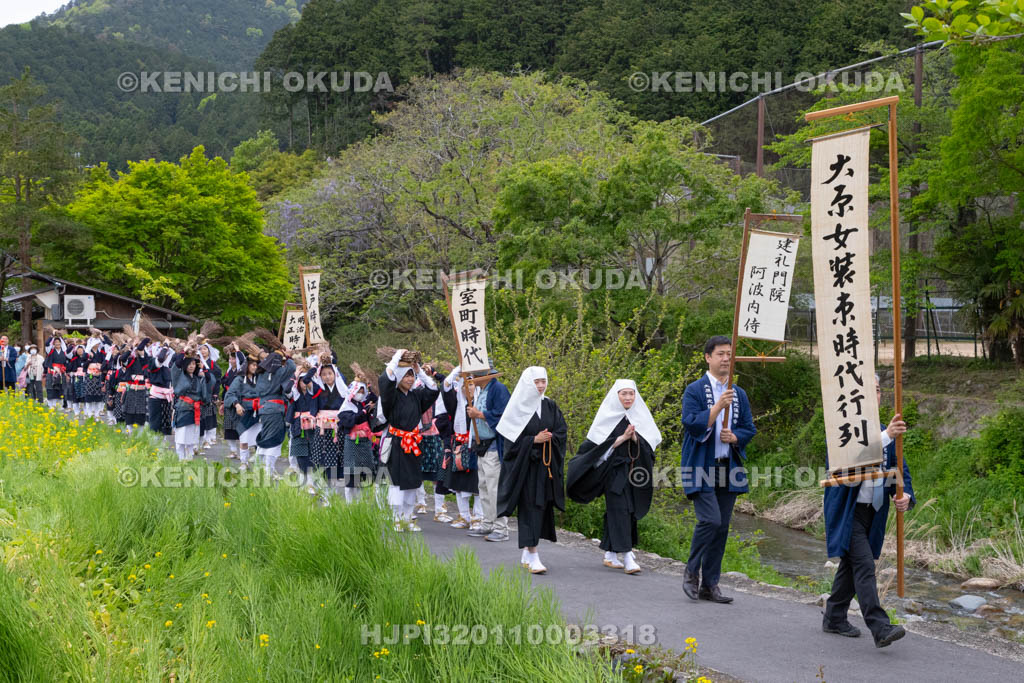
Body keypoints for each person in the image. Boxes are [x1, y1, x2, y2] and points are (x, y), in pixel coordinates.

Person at [822, 375, 915, 648]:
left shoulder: (887, 431)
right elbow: (849, 462)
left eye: (877, 390)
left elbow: (901, 470)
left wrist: (906, 495)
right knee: (864, 565)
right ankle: (880, 627)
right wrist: (887, 437)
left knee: (851, 566)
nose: (874, 394)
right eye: (867, 390)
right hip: (847, 512)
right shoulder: (842, 429)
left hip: (873, 512)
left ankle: (834, 617)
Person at [680, 336, 757, 604]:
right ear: (708, 357)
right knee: (710, 520)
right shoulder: (694, 390)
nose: (726, 359)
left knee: (722, 527)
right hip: (700, 465)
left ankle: (710, 584)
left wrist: (735, 437)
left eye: (729, 354)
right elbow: (691, 423)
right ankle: (691, 572)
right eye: (721, 354)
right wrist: (716, 408)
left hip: (728, 466)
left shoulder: (739, 393)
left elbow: (748, 428)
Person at [567, 379, 660, 575]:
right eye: (624, 394)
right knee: (620, 509)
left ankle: (610, 554)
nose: (628, 397)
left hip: (634, 473)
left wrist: (635, 438)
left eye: (631, 394)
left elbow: (649, 450)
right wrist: (622, 438)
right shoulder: (607, 417)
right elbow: (594, 450)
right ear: (616, 396)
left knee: (629, 510)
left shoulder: (640, 417)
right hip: (613, 473)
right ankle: (627, 555)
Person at [496, 366, 567, 575]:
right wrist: (533, 440)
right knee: (529, 507)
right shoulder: (516, 407)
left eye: (543, 381)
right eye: (536, 382)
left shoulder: (550, 405)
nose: (541, 386)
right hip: (525, 469)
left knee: (541, 507)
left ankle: (528, 552)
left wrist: (551, 438)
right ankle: (534, 553)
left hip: (545, 468)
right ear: (528, 383)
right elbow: (510, 445)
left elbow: (561, 431)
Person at [378, 349, 440, 532]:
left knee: (413, 482)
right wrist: (396, 357)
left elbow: (433, 389)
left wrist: (419, 371)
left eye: (412, 376)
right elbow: (386, 379)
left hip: (413, 443)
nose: (410, 379)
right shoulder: (391, 395)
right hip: (397, 442)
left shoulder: (416, 395)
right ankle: (396, 518)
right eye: (406, 375)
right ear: (399, 376)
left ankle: (407, 517)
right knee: (396, 482)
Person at [465, 366, 511, 542]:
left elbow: (504, 415)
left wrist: (479, 414)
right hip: (482, 445)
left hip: (493, 445)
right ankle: (488, 523)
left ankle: (501, 527)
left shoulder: (498, 389)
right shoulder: (482, 390)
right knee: (483, 487)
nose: (473, 377)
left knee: (494, 488)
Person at [440, 367, 479, 528]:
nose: (468, 388)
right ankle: (464, 516)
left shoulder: (481, 401)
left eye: (471, 384)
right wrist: (458, 369)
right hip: (460, 447)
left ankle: (478, 518)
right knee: (459, 483)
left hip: (477, 446)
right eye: (465, 385)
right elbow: (445, 386)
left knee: (477, 484)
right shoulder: (456, 403)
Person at [252, 349, 296, 478]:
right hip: (275, 409)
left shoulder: (260, 374)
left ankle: (258, 469)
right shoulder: (279, 372)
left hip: (263, 408)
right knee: (274, 441)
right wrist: (288, 356)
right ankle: (268, 472)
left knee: (266, 437)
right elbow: (292, 367)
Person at [338, 376, 378, 502]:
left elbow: (375, 399)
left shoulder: (362, 405)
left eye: (362, 392)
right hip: (352, 443)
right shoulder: (345, 408)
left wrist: (370, 387)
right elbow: (351, 421)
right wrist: (364, 412)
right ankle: (350, 502)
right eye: (358, 392)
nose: (360, 394)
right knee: (351, 472)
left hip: (365, 442)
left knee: (364, 472)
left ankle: (361, 502)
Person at [171, 346, 213, 461]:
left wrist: (204, 369)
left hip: (195, 410)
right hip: (183, 409)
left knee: (191, 438)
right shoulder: (179, 376)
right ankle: (180, 459)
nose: (191, 366)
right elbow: (177, 365)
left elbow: (209, 382)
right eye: (189, 364)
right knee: (181, 437)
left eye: (194, 364)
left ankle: (189, 459)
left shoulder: (198, 378)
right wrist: (184, 351)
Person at [224, 352, 263, 471]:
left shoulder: (259, 379)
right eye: (253, 365)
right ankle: (244, 462)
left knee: (260, 438)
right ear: (247, 365)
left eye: (256, 365)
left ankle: (260, 463)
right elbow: (229, 394)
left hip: (257, 412)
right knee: (244, 438)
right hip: (244, 413)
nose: (255, 367)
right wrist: (237, 404)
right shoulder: (239, 379)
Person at [219, 344, 247, 459]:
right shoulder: (228, 372)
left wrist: (238, 350)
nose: (231, 361)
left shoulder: (241, 372)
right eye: (230, 358)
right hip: (228, 401)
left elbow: (244, 361)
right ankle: (233, 450)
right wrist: (223, 403)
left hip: (239, 402)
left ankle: (242, 452)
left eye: (234, 358)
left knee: (240, 428)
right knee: (229, 428)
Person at [147, 347, 175, 438]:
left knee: (165, 423)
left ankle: (163, 443)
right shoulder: (153, 363)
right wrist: (165, 346)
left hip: (166, 398)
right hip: (156, 398)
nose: (166, 356)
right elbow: (160, 358)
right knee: (155, 424)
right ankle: (154, 443)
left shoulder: (168, 367)